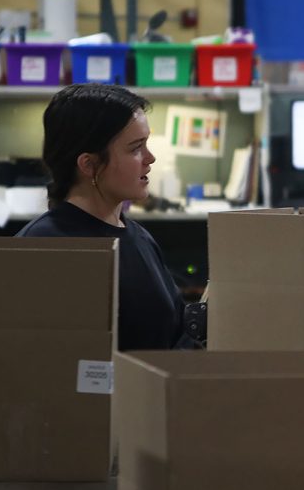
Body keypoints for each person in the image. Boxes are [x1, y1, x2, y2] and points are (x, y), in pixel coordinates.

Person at [17, 83, 194, 350]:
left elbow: (173, 331)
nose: (150, 158)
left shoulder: (138, 237)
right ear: (89, 164)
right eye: (135, 148)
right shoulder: (46, 246)